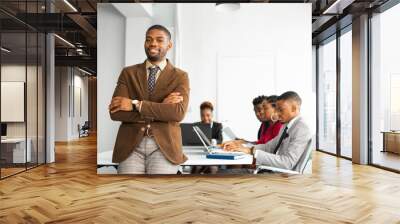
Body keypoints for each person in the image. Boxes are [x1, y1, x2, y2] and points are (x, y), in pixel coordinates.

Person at [109, 24, 190, 174]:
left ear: (169, 45)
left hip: (165, 147)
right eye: (149, 40)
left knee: (159, 194)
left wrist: (135, 104)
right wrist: (162, 107)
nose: (153, 43)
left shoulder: (180, 76)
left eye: (159, 40)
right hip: (130, 146)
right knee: (129, 194)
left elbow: (177, 113)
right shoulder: (128, 73)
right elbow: (116, 112)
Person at [226, 91, 311, 171]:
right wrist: (246, 148)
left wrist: (252, 151)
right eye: (277, 110)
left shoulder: (302, 128)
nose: (277, 114)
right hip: (274, 171)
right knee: (228, 173)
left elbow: (287, 163)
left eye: (280, 110)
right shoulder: (286, 125)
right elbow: (269, 147)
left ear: (294, 108)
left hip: (284, 177)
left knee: (228, 174)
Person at [192, 101, 223, 174]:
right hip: (199, 155)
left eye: (208, 115)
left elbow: (220, 140)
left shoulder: (218, 126)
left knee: (213, 168)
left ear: (212, 115)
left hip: (213, 156)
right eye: (202, 115)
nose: (205, 118)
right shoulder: (196, 126)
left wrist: (214, 141)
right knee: (196, 167)